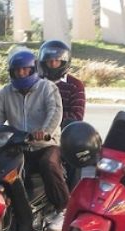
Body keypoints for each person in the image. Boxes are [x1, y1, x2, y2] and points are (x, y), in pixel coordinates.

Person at [0, 50, 68, 231]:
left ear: (33, 69)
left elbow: (55, 112)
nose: (21, 73)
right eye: (17, 70)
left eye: (25, 70)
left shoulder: (47, 88)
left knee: (48, 163)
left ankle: (63, 209)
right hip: (17, 144)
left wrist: (45, 132)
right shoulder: (6, 92)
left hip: (46, 144)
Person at [38, 39, 86, 191]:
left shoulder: (74, 85)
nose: (52, 64)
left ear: (64, 62)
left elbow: (77, 115)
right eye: (49, 61)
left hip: (63, 134)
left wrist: (52, 120)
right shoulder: (36, 83)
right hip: (36, 131)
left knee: (75, 154)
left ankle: (71, 195)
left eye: (56, 61)